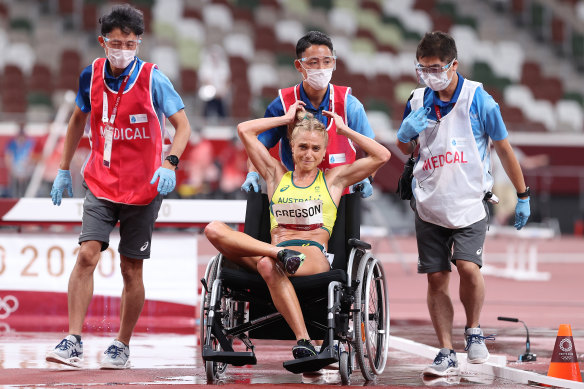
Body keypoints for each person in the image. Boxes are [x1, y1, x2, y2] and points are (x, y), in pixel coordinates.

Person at [45, 4, 190, 370]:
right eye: (116, 42)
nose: (123, 48)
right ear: (102, 42)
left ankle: (121, 345)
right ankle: (72, 339)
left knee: (130, 269)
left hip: (144, 188)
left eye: (130, 42)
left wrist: (169, 163)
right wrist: (64, 169)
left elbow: (183, 127)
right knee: (86, 255)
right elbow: (79, 118)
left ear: (139, 43)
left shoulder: (153, 79)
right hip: (100, 182)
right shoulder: (89, 75)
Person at [205, 101, 390, 359]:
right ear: (291, 147)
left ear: (324, 152)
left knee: (268, 264)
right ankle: (276, 253)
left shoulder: (333, 180)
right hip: (274, 253)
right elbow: (244, 130)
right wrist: (284, 119)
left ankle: (304, 340)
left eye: (316, 148)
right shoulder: (276, 176)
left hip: (311, 253)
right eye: (302, 146)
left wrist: (345, 131)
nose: (308, 154)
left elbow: (382, 156)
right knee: (214, 229)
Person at [395, 31, 531, 377]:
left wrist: (523, 194)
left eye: (436, 68)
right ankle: (445, 350)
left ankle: (473, 330)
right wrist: (403, 134)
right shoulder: (414, 100)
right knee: (436, 279)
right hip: (428, 203)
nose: (429, 75)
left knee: (468, 268)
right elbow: (403, 149)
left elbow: (503, 148)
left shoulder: (479, 99)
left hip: (470, 203)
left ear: (454, 65)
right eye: (422, 69)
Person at [241, 30, 376, 198]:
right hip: (294, 195)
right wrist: (253, 174)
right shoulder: (283, 105)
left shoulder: (350, 105)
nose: (321, 68)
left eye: (327, 62)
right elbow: (258, 148)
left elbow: (374, 152)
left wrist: (367, 178)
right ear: (299, 66)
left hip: (340, 196)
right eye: (313, 62)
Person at [198, 44, 230, 121]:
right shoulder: (205, 66)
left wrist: (223, 91)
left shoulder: (224, 66)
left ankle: (223, 123)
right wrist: (214, 91)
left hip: (221, 93)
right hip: (210, 93)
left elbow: (227, 80)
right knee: (207, 108)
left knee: (222, 110)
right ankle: (204, 122)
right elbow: (205, 80)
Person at [4, 126, 36, 198]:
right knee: (15, 191)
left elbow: (33, 157)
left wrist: (27, 170)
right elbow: (8, 157)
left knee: (26, 191)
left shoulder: (30, 143)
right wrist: (12, 171)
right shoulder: (12, 143)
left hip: (27, 172)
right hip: (15, 171)